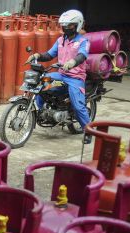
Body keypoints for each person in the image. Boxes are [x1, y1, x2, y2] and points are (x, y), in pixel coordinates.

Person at [26, 9, 92, 143]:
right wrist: (37, 55)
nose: (65, 28)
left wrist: (73, 62)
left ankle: (88, 131)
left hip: (75, 77)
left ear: (77, 25)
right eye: (64, 25)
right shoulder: (61, 40)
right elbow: (49, 55)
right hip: (61, 74)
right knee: (41, 85)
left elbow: (82, 55)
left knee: (78, 105)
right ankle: (44, 112)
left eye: (69, 25)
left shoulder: (83, 41)